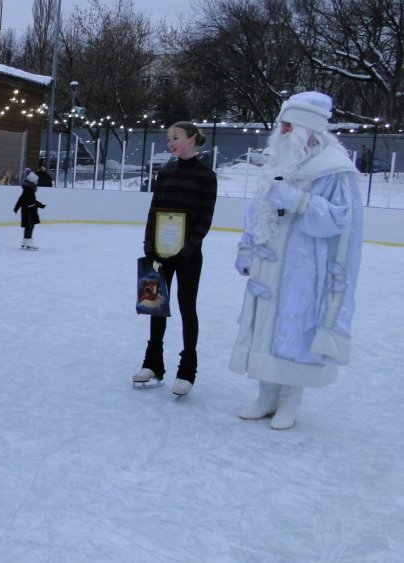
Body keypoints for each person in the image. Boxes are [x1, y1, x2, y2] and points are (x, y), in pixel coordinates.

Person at [230, 91, 363, 430]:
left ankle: (290, 401)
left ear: (308, 128)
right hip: (268, 266)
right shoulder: (279, 160)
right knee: (263, 328)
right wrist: (248, 247)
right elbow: (256, 208)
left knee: (292, 332)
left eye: (289, 126)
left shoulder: (333, 169)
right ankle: (266, 395)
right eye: (282, 125)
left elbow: (340, 220)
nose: (283, 132)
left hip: (304, 269)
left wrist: (298, 201)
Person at [132, 121, 217, 397]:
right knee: (155, 306)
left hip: (188, 256)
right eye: (169, 138)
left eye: (175, 137)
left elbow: (204, 220)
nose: (170, 142)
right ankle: (153, 364)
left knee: (186, 307)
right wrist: (149, 242)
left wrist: (187, 250)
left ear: (191, 139)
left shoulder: (206, 176)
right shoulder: (166, 173)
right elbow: (153, 211)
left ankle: (187, 371)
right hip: (159, 252)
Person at [14, 169, 46, 250]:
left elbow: (21, 199)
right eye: (36, 181)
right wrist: (41, 205)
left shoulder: (27, 189)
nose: (37, 182)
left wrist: (16, 207)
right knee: (30, 226)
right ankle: (29, 241)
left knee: (27, 226)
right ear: (32, 181)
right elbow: (32, 201)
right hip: (30, 211)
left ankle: (24, 241)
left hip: (27, 210)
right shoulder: (29, 190)